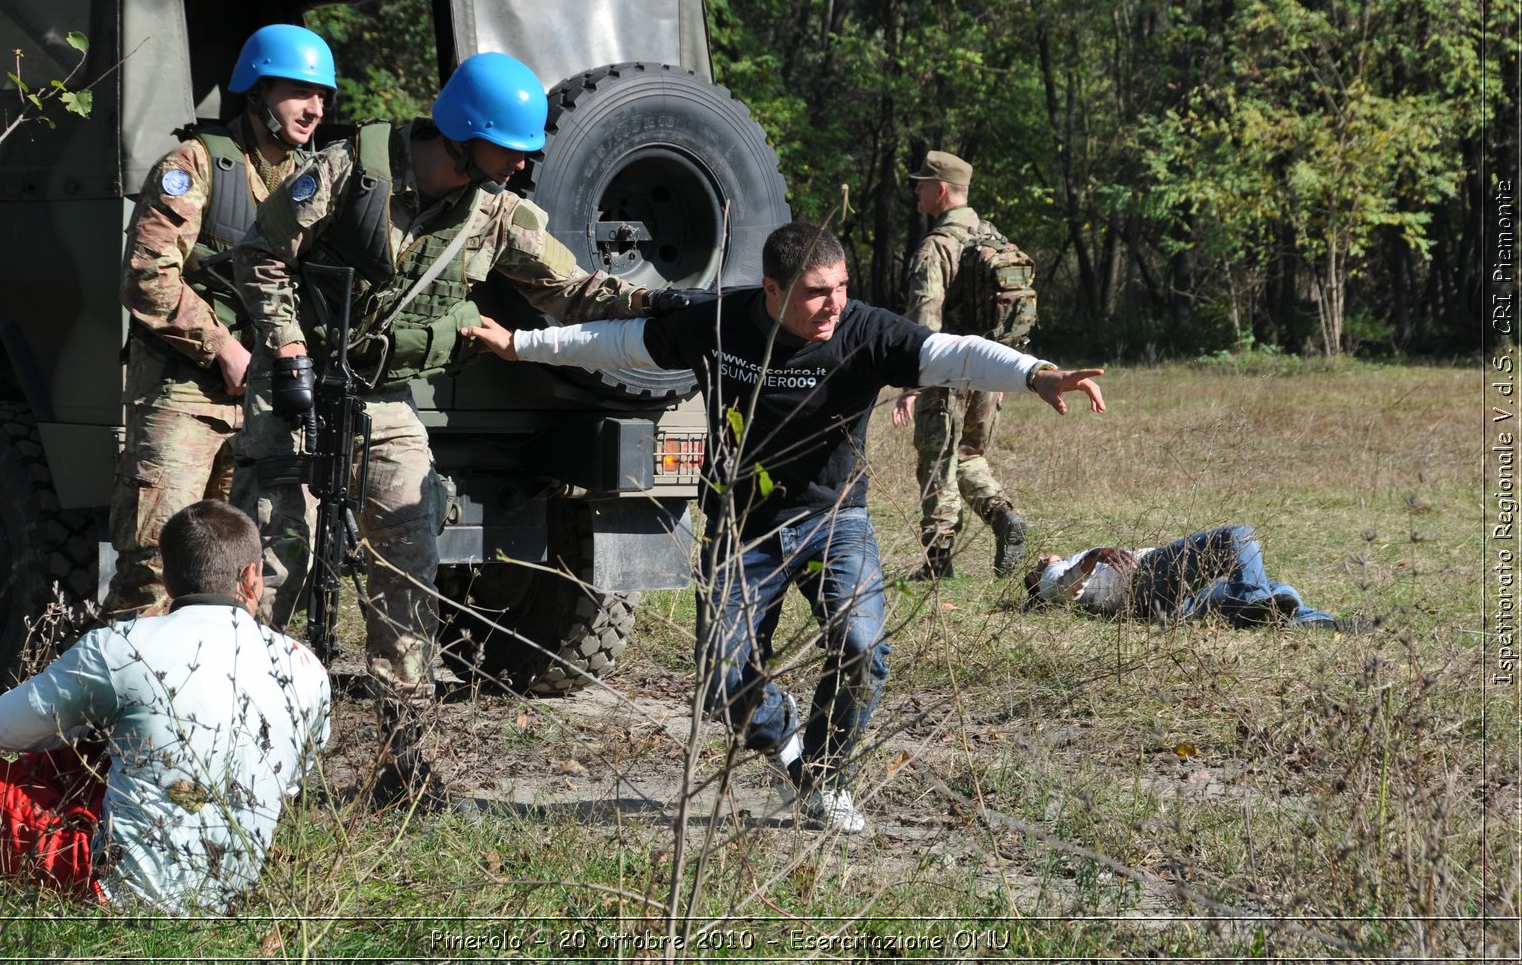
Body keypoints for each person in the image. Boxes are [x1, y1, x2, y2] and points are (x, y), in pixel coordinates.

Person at [461, 220, 1106, 832]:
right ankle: (784, 735)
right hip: (743, 527)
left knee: (862, 646)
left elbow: (952, 353)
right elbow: (620, 342)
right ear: (772, 290)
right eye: (818, 292)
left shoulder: (865, 332)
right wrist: (521, 346)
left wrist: (1035, 372)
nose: (836, 304)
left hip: (836, 520)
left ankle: (825, 776)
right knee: (723, 683)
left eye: (843, 287)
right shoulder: (717, 323)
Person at [230, 51, 678, 806]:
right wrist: (288, 345)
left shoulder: (495, 208)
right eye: (512, 146)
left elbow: (567, 289)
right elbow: (260, 257)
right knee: (275, 565)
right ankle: (243, 744)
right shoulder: (347, 173)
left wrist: (653, 306)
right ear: (466, 134)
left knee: (408, 561)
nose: (524, 162)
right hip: (302, 392)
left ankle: (404, 761)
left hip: (389, 399)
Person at [0, 500, 331, 913]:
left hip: (120, 888)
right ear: (252, 575)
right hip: (232, 885)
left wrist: (87, 717)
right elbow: (293, 779)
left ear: (168, 581)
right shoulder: (306, 667)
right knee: (86, 757)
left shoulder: (122, 646)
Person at [103, 25, 337, 619]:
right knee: (155, 568)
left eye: (321, 95)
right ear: (256, 92)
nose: (313, 108)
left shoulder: (317, 181)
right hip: (185, 393)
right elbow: (148, 277)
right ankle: (125, 706)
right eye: (297, 91)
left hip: (269, 403)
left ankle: (230, 705)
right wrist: (221, 347)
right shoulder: (195, 164)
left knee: (250, 578)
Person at [891, 150, 1029, 581]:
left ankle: (938, 562)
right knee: (967, 455)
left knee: (936, 459)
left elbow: (925, 318)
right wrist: (1006, 367)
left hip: (946, 365)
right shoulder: (994, 238)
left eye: (922, 183)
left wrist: (911, 381)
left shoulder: (939, 245)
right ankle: (1005, 518)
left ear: (942, 190)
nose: (916, 190)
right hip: (992, 367)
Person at [1024, 524, 1354, 630]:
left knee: (1276, 590)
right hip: (1150, 580)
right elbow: (1058, 588)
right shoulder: (1054, 574)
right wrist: (1096, 555)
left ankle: (1320, 622)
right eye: (1038, 563)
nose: (1042, 558)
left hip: (1177, 605)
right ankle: (1250, 600)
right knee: (1237, 536)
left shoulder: (1070, 567)